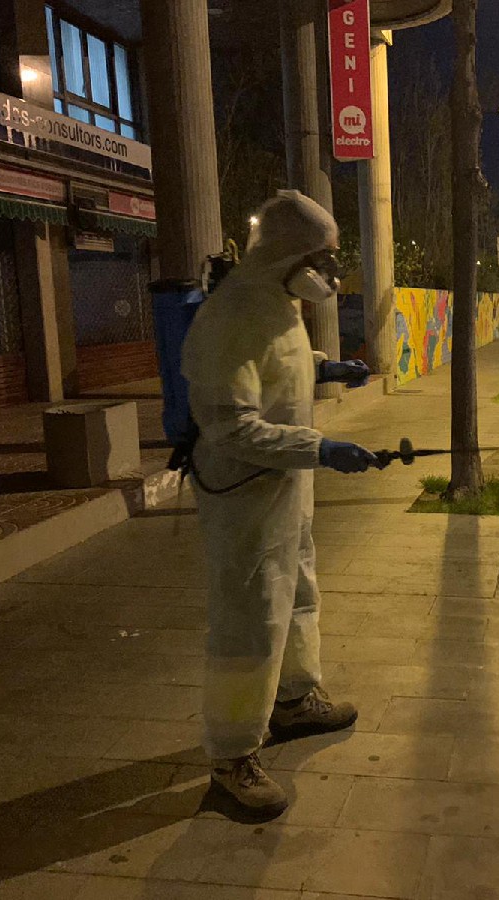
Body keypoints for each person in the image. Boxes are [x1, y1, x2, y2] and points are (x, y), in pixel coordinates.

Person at [181, 190, 378, 818]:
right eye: (323, 257)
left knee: (298, 591)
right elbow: (229, 425)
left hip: (286, 487)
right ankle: (232, 754)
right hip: (243, 496)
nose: (330, 271)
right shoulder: (230, 314)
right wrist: (321, 448)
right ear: (289, 254)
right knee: (250, 621)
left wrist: (325, 369)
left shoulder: (277, 303)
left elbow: (279, 362)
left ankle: (294, 701)